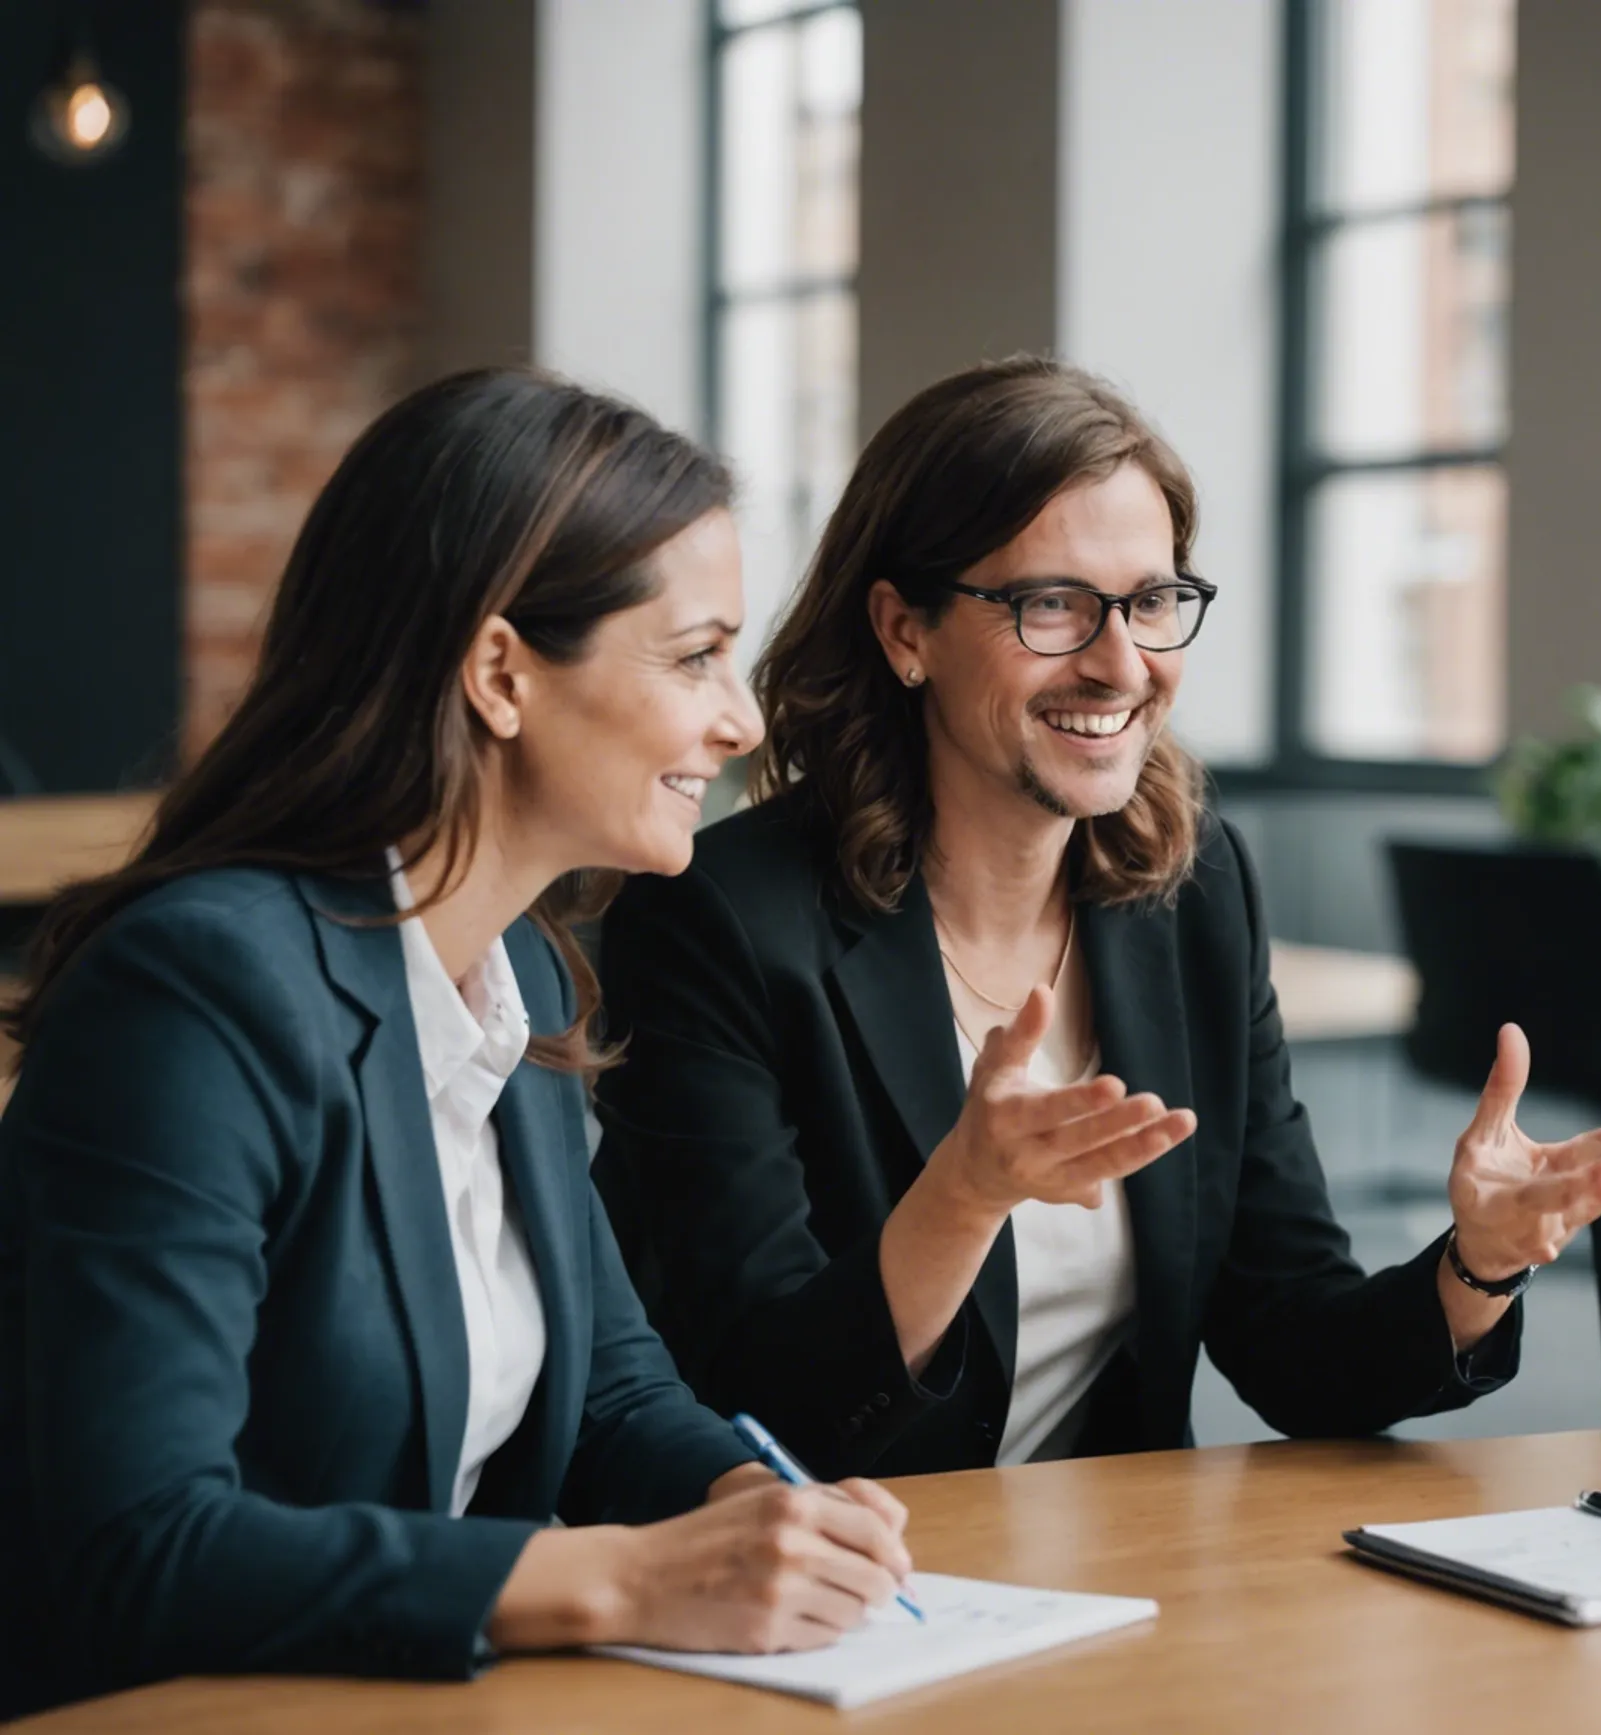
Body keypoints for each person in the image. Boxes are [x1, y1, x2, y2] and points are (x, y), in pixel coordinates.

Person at [0, 370, 921, 1717]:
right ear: (501, 672)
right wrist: (615, 1578)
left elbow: (611, 1388)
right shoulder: (197, 990)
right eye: (695, 655)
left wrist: (756, 1504)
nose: (743, 718)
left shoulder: (524, 974)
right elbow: (142, 1541)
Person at [592, 355, 1601, 1477]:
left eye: (1154, 601)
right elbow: (755, 1410)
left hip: (1118, 1582)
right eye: (1052, 605)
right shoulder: (718, 918)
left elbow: (1292, 1339)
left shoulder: (1191, 888)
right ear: (903, 630)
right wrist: (963, 1200)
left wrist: (1477, 1265)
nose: (1122, 664)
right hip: (829, 1590)